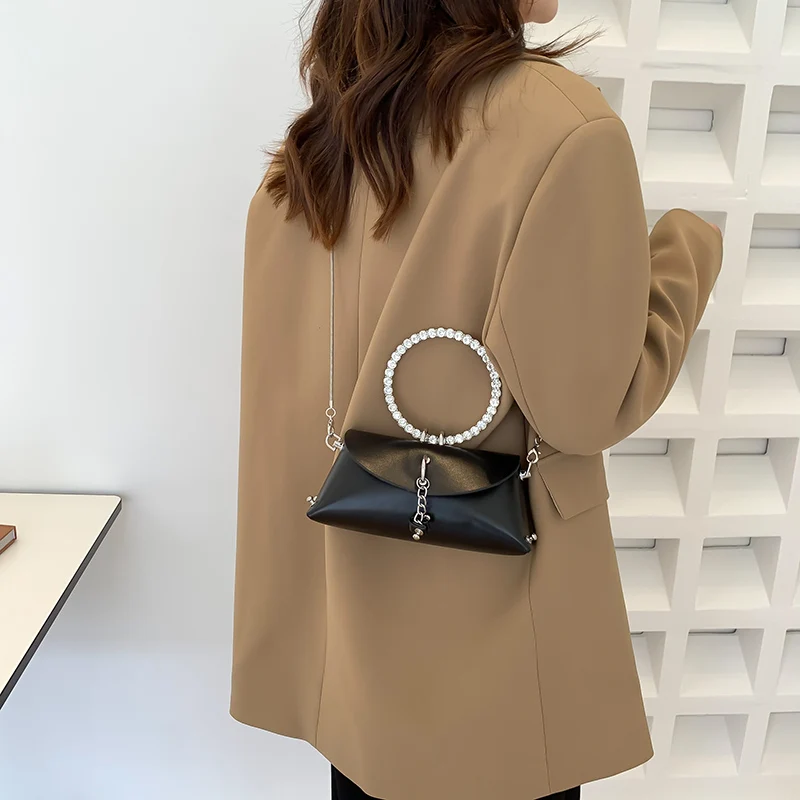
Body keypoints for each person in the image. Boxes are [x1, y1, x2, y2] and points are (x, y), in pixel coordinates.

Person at [230, 0, 723, 798]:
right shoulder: (561, 128)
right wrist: (686, 252)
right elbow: (587, 408)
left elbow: (285, 397)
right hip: (492, 659)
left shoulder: (319, 141)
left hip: (349, 649)